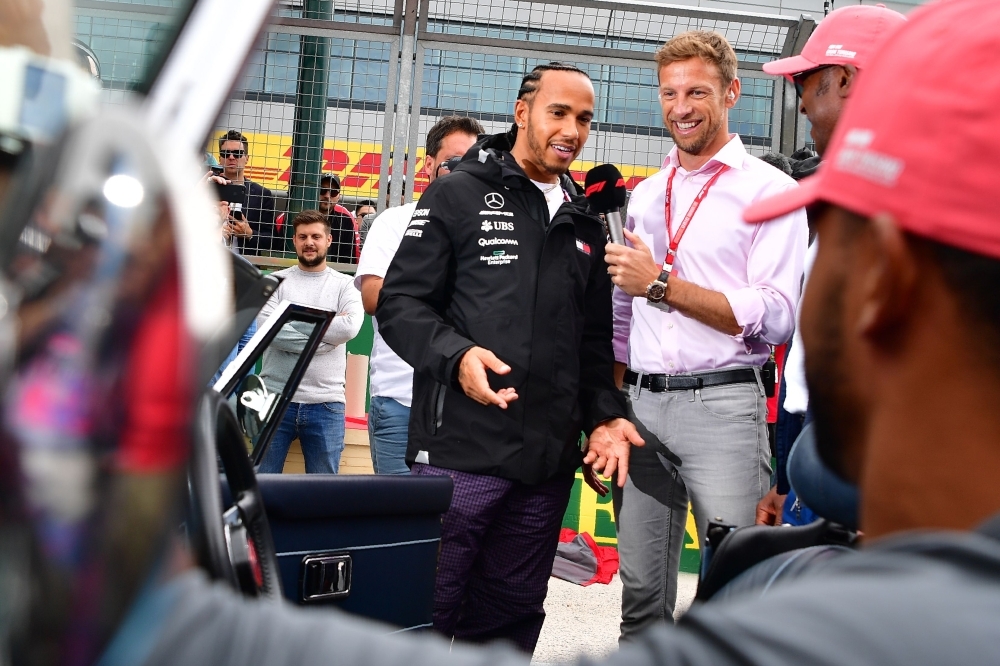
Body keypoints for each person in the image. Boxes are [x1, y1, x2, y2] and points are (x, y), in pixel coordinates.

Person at [375, 63, 642, 652]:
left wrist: (604, 414)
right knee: (424, 616)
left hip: (543, 470)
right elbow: (399, 304)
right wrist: (458, 356)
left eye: (584, 118)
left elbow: (593, 345)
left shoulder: (589, 219)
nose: (572, 130)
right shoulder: (458, 191)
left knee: (508, 627)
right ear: (522, 112)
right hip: (458, 455)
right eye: (559, 112)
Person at [603, 30, 807, 640]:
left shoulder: (770, 191)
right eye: (669, 93)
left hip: (722, 405)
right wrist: (613, 408)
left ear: (731, 93)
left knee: (733, 593)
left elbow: (777, 316)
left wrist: (663, 284)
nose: (681, 106)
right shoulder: (643, 194)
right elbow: (622, 308)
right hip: (640, 407)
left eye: (697, 91)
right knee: (639, 598)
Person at [753, 4, 907, 527]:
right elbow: (808, 364)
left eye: (805, 85)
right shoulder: (858, 196)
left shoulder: (904, 205)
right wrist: (789, 480)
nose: (801, 108)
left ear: (843, 79)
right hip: (818, 458)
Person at [354, 116, 484, 475]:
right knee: (400, 525)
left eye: (475, 162)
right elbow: (373, 297)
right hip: (402, 401)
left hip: (469, 405)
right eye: (454, 162)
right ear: (428, 165)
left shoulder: (493, 229)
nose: (465, 172)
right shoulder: (394, 223)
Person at [255, 210, 364, 474]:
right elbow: (267, 328)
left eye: (316, 236)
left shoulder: (346, 286)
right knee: (261, 490)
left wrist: (290, 320)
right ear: (294, 240)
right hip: (274, 399)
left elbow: (348, 328)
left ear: (329, 239)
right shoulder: (274, 281)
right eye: (302, 236)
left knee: (324, 496)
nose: (309, 242)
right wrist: (326, 338)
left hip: (326, 404)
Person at [218, 129, 276, 255]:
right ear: (220, 158)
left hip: (246, 266)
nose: (231, 157)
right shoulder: (208, 190)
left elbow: (273, 240)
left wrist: (249, 234)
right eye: (226, 153)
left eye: (237, 153)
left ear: (247, 158)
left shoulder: (262, 195)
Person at [319, 173, 360, 264]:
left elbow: (351, 257)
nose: (327, 195)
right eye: (322, 190)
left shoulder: (345, 218)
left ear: (338, 197)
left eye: (333, 192)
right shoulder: (292, 215)